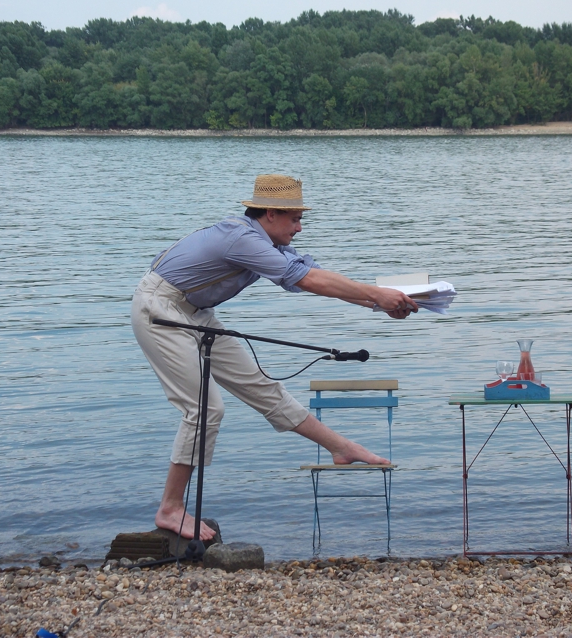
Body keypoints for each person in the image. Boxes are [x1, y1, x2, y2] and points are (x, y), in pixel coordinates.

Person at [131, 174, 417, 540]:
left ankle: (341, 448)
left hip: (194, 312)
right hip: (158, 309)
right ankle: (170, 508)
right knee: (204, 408)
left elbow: (312, 275)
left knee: (262, 387)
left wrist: (378, 304)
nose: (299, 228)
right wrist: (377, 295)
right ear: (270, 214)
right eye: (294, 219)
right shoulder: (242, 239)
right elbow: (304, 279)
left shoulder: (267, 242)